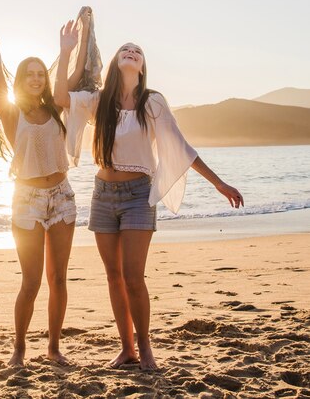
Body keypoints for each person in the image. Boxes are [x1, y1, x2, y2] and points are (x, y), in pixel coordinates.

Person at [54, 20, 244, 370]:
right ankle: (126, 348)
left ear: (142, 67)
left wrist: (218, 183)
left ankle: (146, 348)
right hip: (103, 194)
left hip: (138, 194)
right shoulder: (99, 102)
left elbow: (181, 147)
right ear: (115, 63)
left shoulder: (152, 102)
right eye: (126, 49)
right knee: (113, 276)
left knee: (133, 276)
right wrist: (66, 51)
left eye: (138, 52)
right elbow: (60, 98)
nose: (132, 52)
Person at [0, 31, 89, 367]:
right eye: (29, 73)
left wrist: (67, 48)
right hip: (26, 198)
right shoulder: (12, 114)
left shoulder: (59, 107)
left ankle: (54, 348)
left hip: (61, 197)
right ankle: (18, 349)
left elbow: (71, 75)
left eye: (40, 74)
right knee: (30, 281)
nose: (36, 78)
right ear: (22, 80)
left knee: (58, 278)